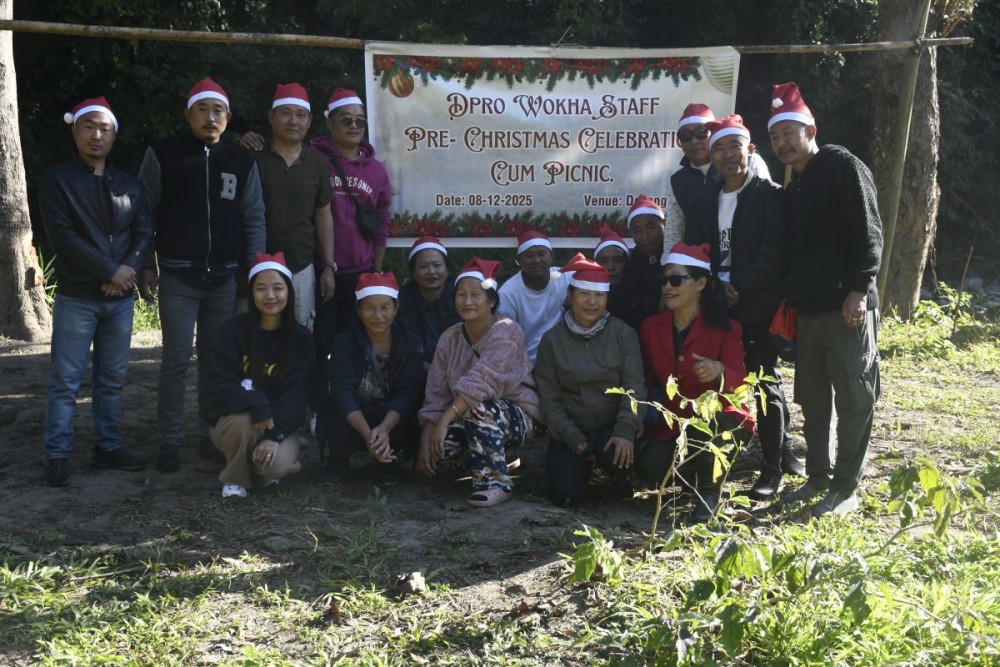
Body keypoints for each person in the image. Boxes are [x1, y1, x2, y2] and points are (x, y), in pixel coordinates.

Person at [138, 77, 266, 473]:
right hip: (178, 277)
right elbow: (144, 213)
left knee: (216, 362)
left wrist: (254, 272)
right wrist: (145, 263)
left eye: (218, 110)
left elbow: (253, 218)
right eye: (202, 110)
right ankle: (170, 441)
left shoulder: (240, 160)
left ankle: (209, 436)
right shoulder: (164, 154)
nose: (210, 117)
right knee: (175, 361)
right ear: (188, 114)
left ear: (228, 117)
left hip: (224, 280)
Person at [768, 82, 882, 517]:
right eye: (774, 137)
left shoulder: (842, 166)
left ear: (810, 130)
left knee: (854, 397)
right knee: (813, 400)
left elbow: (869, 232)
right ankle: (817, 477)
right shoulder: (794, 185)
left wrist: (859, 289)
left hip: (847, 308)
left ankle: (846, 487)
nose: (781, 143)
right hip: (809, 313)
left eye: (788, 133)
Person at [684, 114, 804, 501]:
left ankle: (773, 467)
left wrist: (740, 286)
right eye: (718, 148)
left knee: (764, 382)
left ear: (749, 149)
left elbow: (775, 251)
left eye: (734, 146)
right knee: (715, 380)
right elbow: (697, 248)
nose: (727, 154)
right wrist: (714, 287)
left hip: (757, 303)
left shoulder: (770, 195)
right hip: (714, 303)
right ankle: (707, 463)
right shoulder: (705, 198)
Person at [39, 97, 153, 487]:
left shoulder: (129, 184)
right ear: (75, 131)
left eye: (105, 129)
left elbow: (143, 233)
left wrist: (126, 272)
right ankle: (58, 454)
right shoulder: (57, 181)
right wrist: (110, 271)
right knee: (66, 381)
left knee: (112, 379)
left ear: (114, 135)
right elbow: (63, 238)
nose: (96, 135)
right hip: (78, 297)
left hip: (119, 300)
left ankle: (108, 446)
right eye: (89, 127)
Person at [638, 243, 754, 522]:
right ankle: (692, 474)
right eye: (664, 279)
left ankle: (709, 493)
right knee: (649, 470)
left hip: (720, 418)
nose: (668, 286)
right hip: (674, 422)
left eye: (676, 280)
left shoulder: (727, 328)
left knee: (710, 428)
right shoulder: (651, 327)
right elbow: (646, 380)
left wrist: (718, 370)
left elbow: (741, 383)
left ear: (700, 283)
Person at [418, 258, 542, 507]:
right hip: (467, 415)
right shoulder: (450, 337)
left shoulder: (507, 330)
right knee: (441, 455)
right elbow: (436, 392)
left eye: (476, 295)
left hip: (519, 413)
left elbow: (482, 381)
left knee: (479, 407)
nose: (467, 301)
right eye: (461, 295)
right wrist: (426, 437)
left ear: (491, 301)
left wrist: (445, 420)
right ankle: (498, 459)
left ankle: (496, 484)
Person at [535, 254, 647, 504]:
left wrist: (625, 429)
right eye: (584, 294)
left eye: (599, 295)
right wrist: (572, 437)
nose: (592, 302)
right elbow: (549, 398)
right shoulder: (552, 340)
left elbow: (634, 387)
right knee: (564, 496)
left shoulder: (624, 334)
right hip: (572, 427)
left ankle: (620, 476)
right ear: (570, 296)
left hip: (611, 425)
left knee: (619, 461)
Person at [199, 253, 313, 498]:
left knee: (275, 467)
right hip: (234, 421)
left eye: (278, 288)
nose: (270, 296)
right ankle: (235, 479)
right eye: (261, 288)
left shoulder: (301, 339)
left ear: (289, 292)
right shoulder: (230, 331)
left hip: (278, 424)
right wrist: (256, 402)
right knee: (242, 423)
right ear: (251, 293)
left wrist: (274, 436)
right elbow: (217, 385)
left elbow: (297, 396)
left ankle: (257, 466)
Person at [247, 82, 335, 332]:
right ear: (271, 117)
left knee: (300, 334)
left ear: (309, 121)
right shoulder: (253, 157)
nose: (293, 121)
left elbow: (324, 215)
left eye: (301, 115)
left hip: (301, 265)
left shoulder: (317, 163)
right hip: (257, 265)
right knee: (257, 335)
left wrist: (328, 266)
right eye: (285, 113)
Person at [323, 272, 423, 485]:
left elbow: (407, 391)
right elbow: (342, 390)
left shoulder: (410, 342)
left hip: (389, 416)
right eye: (369, 308)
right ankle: (337, 462)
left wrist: (384, 428)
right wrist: (368, 434)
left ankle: (388, 463)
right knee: (336, 411)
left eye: (385, 307)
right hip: (356, 414)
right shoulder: (344, 342)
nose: (378, 315)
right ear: (358, 310)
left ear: (396, 308)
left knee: (407, 413)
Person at [310, 87, 393, 337]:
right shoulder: (313, 160)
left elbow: (383, 219)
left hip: (361, 272)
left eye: (360, 121)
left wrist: (376, 269)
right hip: (319, 270)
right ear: (330, 122)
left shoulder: (376, 170)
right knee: (321, 341)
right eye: (346, 120)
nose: (354, 126)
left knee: (358, 341)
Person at [670, 103, 771, 225]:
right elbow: (674, 229)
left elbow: (767, 210)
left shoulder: (748, 162)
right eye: (685, 135)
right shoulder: (678, 180)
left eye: (701, 132)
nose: (694, 141)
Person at [497, 229, 569, 364]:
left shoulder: (567, 277)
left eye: (542, 254)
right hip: (526, 364)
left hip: (564, 360)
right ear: (519, 260)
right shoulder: (507, 293)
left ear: (552, 255)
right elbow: (506, 337)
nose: (536, 260)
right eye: (529, 255)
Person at [397, 236, 460, 368]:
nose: (431, 271)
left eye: (437, 265)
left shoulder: (460, 296)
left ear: (447, 269)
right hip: (414, 369)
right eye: (423, 266)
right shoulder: (402, 301)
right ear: (413, 272)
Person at [627, 195, 673, 318]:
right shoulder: (634, 259)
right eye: (637, 230)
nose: (645, 236)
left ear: (664, 223)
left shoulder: (676, 254)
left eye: (650, 227)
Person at [593, 226, 647, 330]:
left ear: (627, 263)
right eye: (603, 261)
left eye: (618, 260)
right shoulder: (587, 301)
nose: (610, 267)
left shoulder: (643, 300)